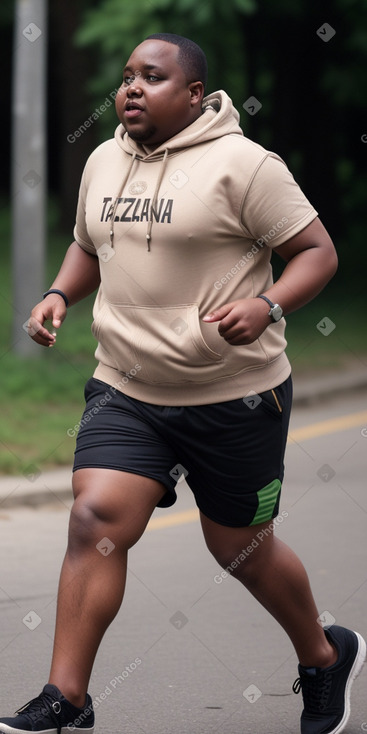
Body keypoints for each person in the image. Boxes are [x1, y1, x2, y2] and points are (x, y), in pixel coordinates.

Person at [1, 33, 364, 734]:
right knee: (95, 518)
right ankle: (66, 697)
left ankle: (323, 656)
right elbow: (87, 243)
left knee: (240, 549)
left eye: (153, 77)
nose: (131, 88)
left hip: (235, 393)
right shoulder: (104, 159)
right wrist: (57, 294)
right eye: (127, 76)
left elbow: (316, 251)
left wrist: (269, 305)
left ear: (194, 94)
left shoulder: (245, 166)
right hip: (127, 386)